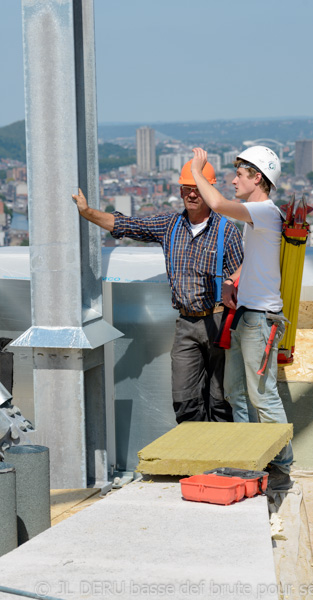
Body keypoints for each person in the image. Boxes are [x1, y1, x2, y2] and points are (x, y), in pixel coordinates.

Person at [72, 159, 243, 424]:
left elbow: (242, 278)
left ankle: (223, 463)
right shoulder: (170, 226)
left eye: (197, 187)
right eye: (187, 188)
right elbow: (127, 226)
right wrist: (87, 213)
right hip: (187, 323)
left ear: (209, 190)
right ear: (179, 191)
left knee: (221, 402)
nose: (192, 194)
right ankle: (196, 459)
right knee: (185, 401)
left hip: (220, 322)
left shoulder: (226, 231)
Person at [191, 146, 293, 490]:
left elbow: (217, 204)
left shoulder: (264, 211)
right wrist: (235, 281)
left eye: (240, 175)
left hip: (260, 320)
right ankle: (254, 459)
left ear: (258, 178)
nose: (234, 180)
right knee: (236, 392)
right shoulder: (260, 217)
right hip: (247, 315)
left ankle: (281, 467)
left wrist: (196, 169)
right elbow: (256, 260)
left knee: (262, 396)